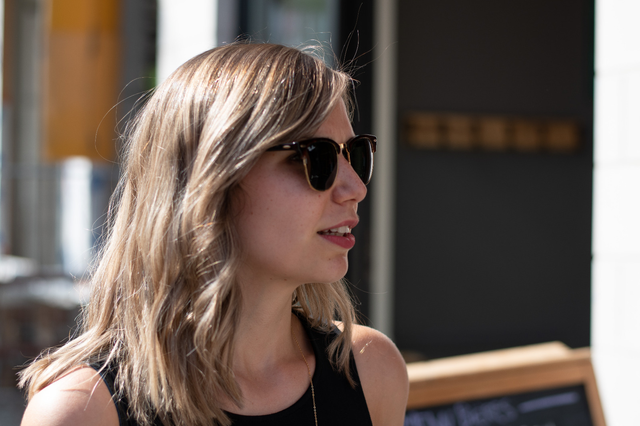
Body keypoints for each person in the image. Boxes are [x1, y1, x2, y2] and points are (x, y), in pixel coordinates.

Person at [19, 43, 408, 426]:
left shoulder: (370, 371)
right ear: (210, 183)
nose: (356, 188)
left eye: (356, 155)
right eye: (316, 158)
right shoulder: (81, 411)